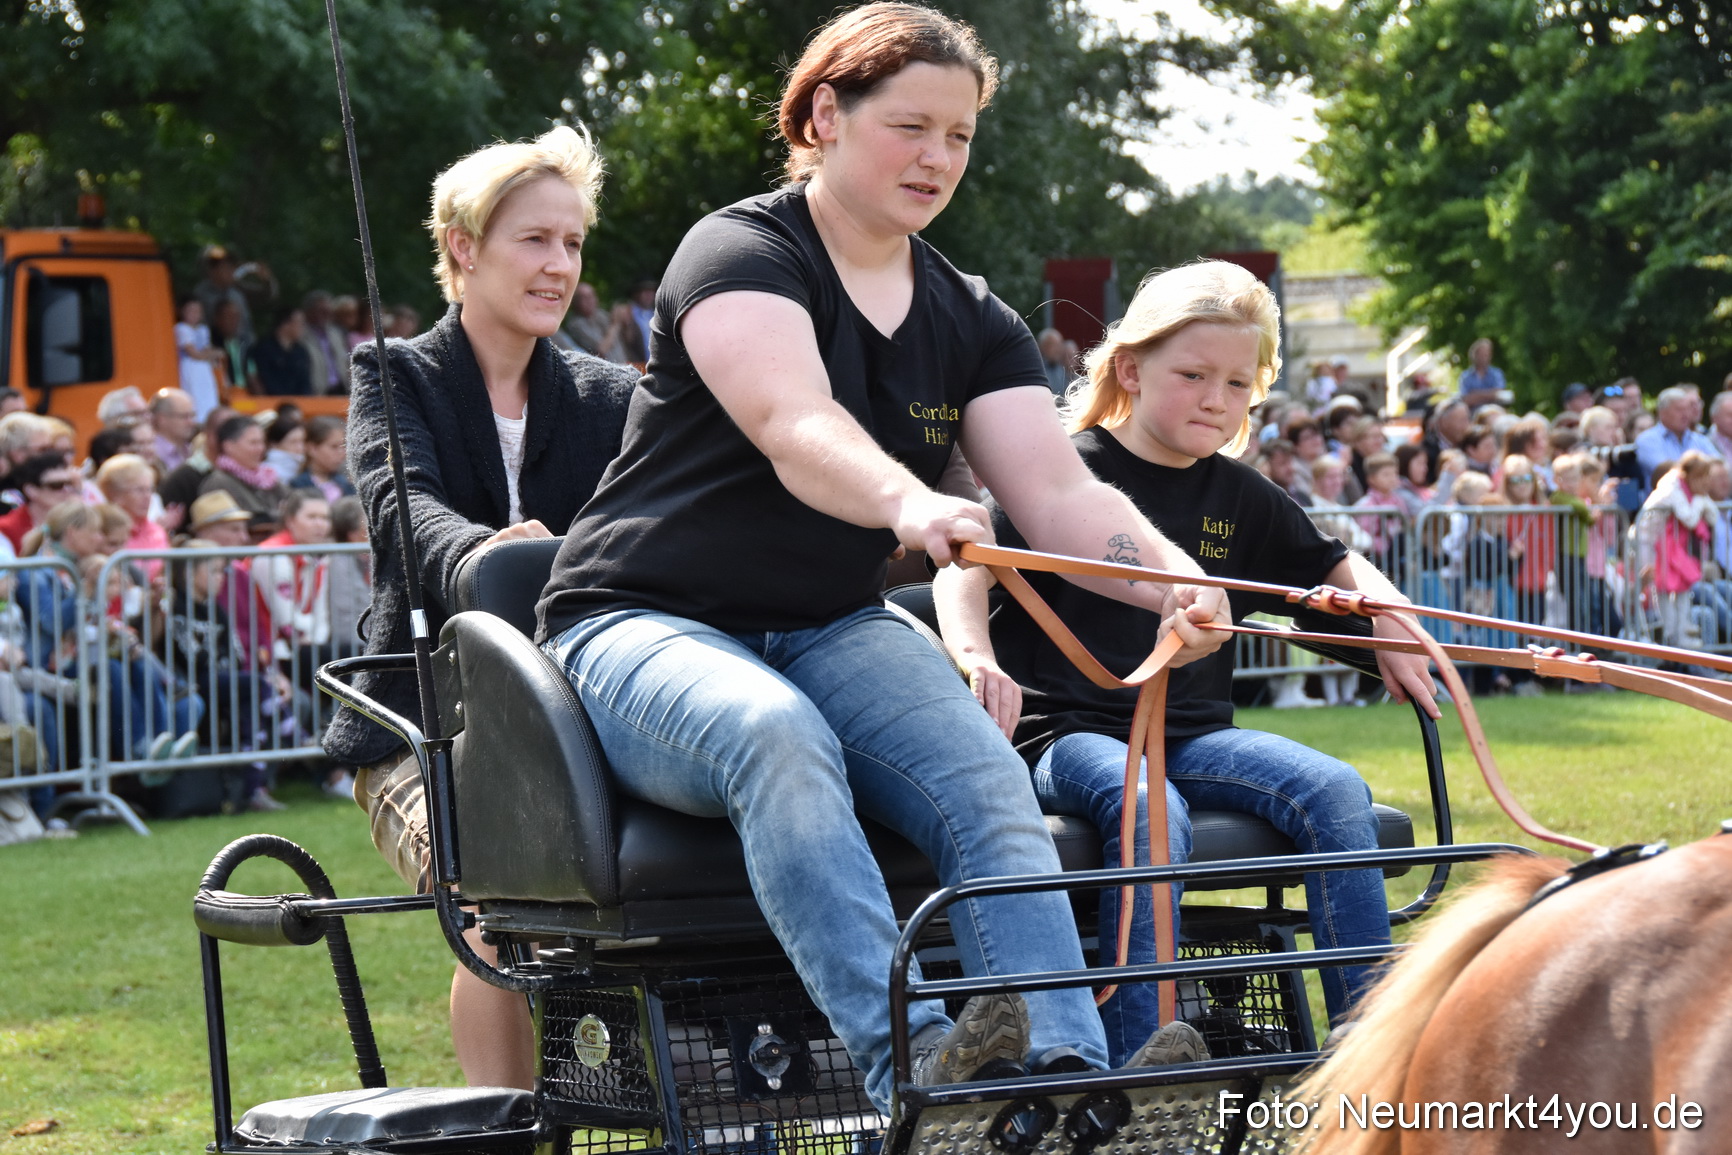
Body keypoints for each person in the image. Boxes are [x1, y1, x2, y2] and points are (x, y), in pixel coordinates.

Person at [534, 7, 1231, 1114]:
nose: (938, 159)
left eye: (959, 137)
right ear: (823, 115)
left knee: (991, 787)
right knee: (775, 736)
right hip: (639, 622)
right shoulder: (739, 251)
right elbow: (791, 421)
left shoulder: (973, 313)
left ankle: (1068, 1090)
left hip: (829, 626)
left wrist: (1168, 581)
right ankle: (921, 1084)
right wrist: (910, 498)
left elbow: (1056, 493)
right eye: (911, 126)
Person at [932, 260, 1436, 1066]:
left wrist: (1398, 627)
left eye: (1239, 384)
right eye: (1194, 375)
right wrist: (974, 654)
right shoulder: (1065, 471)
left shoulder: (1240, 494)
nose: (1216, 399)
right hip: (1070, 735)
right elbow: (965, 566)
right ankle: (1140, 1061)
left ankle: (1371, 1051)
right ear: (1129, 368)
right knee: (1149, 808)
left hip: (1196, 738)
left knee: (1336, 788)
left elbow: (1337, 567)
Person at [320, 123, 636, 1091]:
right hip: (425, 728)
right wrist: (487, 559)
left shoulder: (614, 395)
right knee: (496, 901)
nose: (559, 267)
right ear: (463, 246)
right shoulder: (394, 375)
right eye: (533, 240)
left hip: (586, 719)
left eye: (572, 243)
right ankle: (503, 1123)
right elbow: (398, 507)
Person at [197, 415, 287, 537]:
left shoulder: (270, 479)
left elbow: (294, 506)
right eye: (253, 443)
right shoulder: (218, 483)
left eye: (262, 442)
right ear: (229, 446)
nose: (260, 449)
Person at [0, 454, 80, 555]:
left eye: (70, 483)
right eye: (56, 485)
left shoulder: (75, 524)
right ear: (31, 490)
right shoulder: (6, 529)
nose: (66, 490)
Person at [173, 297, 225, 420]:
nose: (194, 314)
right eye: (191, 311)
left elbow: (206, 349)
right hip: (190, 368)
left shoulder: (203, 329)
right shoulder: (181, 329)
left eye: (197, 311)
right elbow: (194, 353)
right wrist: (213, 353)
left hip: (204, 369)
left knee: (207, 394)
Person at [247, 306, 313, 396]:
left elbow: (306, 383)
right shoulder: (262, 349)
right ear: (285, 324)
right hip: (270, 404)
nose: (303, 328)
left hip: (300, 405)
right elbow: (263, 380)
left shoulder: (301, 352)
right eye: (300, 323)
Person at [289, 416, 355, 503]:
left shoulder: (346, 484)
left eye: (343, 446)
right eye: (334, 447)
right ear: (312, 448)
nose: (342, 453)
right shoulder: (298, 486)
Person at [1456, 338, 1506, 409]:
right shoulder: (1465, 376)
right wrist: (1490, 394)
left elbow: (1499, 394)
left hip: (1493, 412)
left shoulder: (1497, 374)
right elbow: (1465, 400)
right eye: (1481, 354)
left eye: (1487, 354)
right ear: (1474, 355)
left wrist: (1475, 394)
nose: (1484, 357)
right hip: (1471, 416)